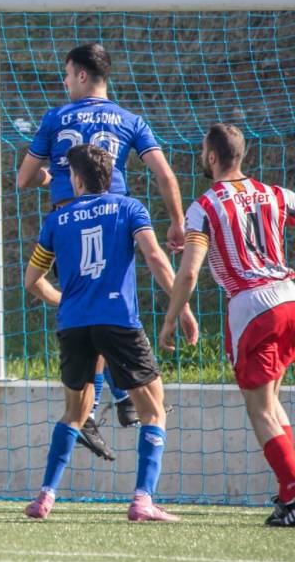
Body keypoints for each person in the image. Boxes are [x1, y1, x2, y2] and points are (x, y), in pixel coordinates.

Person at [16, 43, 186, 458]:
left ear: (80, 75)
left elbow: (24, 179)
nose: (63, 81)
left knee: (81, 307)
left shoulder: (56, 117)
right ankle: (124, 397)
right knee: (113, 304)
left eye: (66, 73)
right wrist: (177, 221)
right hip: (116, 222)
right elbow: (163, 172)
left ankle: (95, 411)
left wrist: (55, 176)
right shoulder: (130, 120)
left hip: (67, 224)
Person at [22, 144, 197, 521]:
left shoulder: (58, 218)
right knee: (152, 412)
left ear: (78, 179)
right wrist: (180, 305)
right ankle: (142, 500)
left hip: (73, 324)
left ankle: (45, 498)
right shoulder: (130, 208)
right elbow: (154, 257)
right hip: (117, 321)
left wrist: (64, 299)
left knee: (73, 413)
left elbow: (32, 280)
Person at [161, 123, 295, 527]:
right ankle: (289, 486)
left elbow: (188, 273)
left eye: (204, 152)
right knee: (271, 404)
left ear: (213, 157)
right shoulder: (277, 194)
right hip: (289, 297)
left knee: (260, 411)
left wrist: (171, 319)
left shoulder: (205, 205)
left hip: (252, 306)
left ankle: (293, 495)